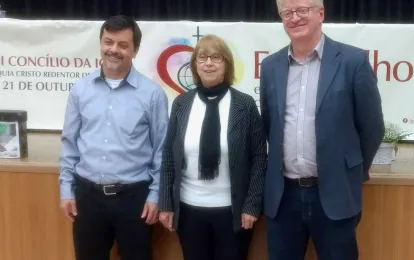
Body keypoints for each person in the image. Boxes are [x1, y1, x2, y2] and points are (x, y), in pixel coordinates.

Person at [259, 0, 385, 259]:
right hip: (284, 198)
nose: (294, 18)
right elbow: (269, 123)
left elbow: (372, 127)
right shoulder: (270, 66)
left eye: (302, 10)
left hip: (335, 194)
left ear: (321, 13)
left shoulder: (353, 61)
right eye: (287, 13)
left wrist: (350, 173)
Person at [58, 15, 169, 260]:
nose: (113, 50)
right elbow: (70, 144)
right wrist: (66, 190)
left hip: (134, 200)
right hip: (88, 198)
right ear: (100, 43)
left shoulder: (152, 95)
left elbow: (162, 150)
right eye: (108, 42)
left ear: (135, 50)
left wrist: (154, 195)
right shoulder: (80, 90)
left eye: (122, 44)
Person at [158, 34, 267, 260]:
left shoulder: (244, 105)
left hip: (233, 211)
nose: (208, 63)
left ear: (226, 63)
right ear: (195, 65)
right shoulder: (182, 104)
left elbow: (259, 158)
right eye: (202, 57)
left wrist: (252, 205)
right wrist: (166, 203)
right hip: (189, 210)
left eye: (216, 57)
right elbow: (169, 156)